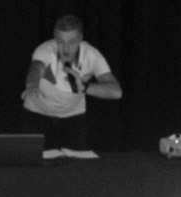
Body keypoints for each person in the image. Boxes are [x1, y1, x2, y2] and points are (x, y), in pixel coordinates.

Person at [21, 13, 121, 161]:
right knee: (31, 165)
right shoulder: (45, 50)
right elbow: (36, 68)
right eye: (61, 41)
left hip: (73, 120)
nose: (66, 48)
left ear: (80, 39)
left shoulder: (92, 55)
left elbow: (116, 92)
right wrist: (31, 85)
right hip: (37, 116)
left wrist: (84, 87)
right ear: (55, 38)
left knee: (75, 168)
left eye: (72, 42)